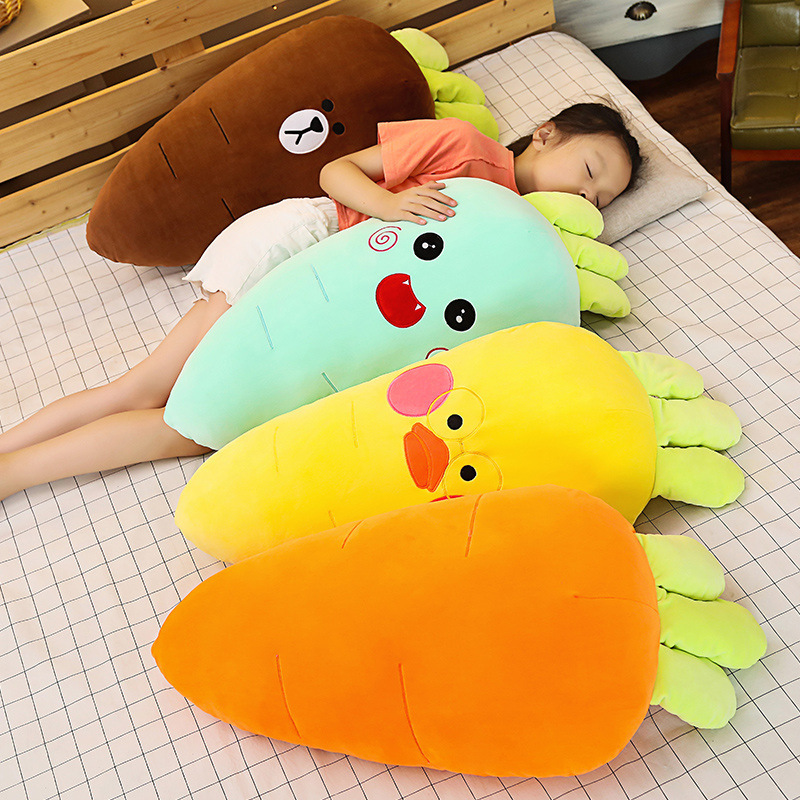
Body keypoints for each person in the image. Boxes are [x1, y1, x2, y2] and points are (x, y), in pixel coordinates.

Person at [0, 102, 641, 501]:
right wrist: (389, 205)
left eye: (601, 201)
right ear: (546, 134)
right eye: (588, 173)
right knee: (152, 396)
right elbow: (335, 170)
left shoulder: (521, 239)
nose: (586, 200)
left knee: (195, 428)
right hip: (301, 246)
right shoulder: (465, 147)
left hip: (321, 311)